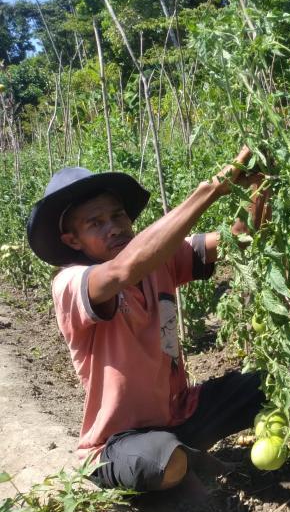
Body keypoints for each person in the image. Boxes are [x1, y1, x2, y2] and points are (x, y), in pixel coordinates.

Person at [26, 146, 268, 493]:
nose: (114, 227)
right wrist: (212, 189)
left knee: (267, 383)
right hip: (119, 442)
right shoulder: (73, 282)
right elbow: (124, 270)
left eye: (118, 215)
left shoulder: (159, 260)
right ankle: (179, 462)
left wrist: (261, 185)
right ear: (71, 239)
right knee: (159, 461)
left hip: (180, 416)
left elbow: (238, 242)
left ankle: (184, 454)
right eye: (96, 223)